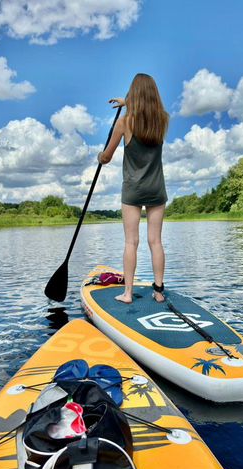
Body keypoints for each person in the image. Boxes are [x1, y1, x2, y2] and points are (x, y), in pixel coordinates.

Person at [97, 73, 169, 304]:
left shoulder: (124, 123)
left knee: (131, 242)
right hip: (157, 188)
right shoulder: (162, 120)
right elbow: (146, 109)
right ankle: (158, 292)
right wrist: (127, 103)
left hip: (133, 190)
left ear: (133, 95)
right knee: (155, 241)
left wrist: (101, 156)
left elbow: (107, 156)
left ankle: (127, 294)